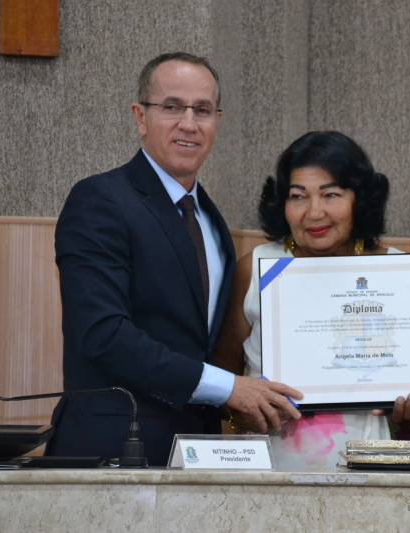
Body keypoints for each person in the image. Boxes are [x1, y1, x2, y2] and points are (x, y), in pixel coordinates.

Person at [46, 52, 301, 466]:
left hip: (198, 450)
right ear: (140, 116)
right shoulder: (101, 200)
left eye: (202, 110)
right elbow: (102, 334)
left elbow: (205, 343)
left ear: (217, 121)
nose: (189, 123)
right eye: (171, 107)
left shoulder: (212, 221)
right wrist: (229, 388)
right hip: (114, 449)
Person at [213, 131, 410, 469]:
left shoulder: (398, 272)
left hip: (372, 465)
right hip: (271, 466)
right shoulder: (255, 269)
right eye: (298, 196)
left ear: (360, 199)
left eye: (331, 195)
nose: (314, 212)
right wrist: (241, 415)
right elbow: (222, 377)